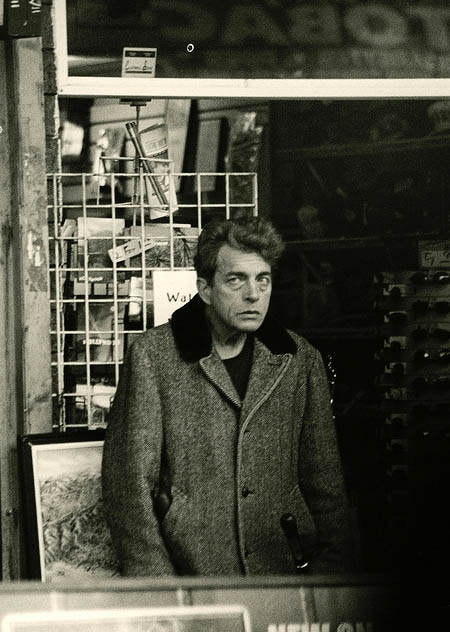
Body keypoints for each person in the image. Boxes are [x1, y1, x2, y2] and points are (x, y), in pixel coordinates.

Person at [102, 216, 354, 576]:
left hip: (282, 574)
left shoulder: (299, 360)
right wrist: (159, 587)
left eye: (262, 279)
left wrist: (328, 576)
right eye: (236, 279)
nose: (253, 294)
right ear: (205, 289)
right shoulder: (153, 358)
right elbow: (129, 489)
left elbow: (325, 482)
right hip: (193, 575)